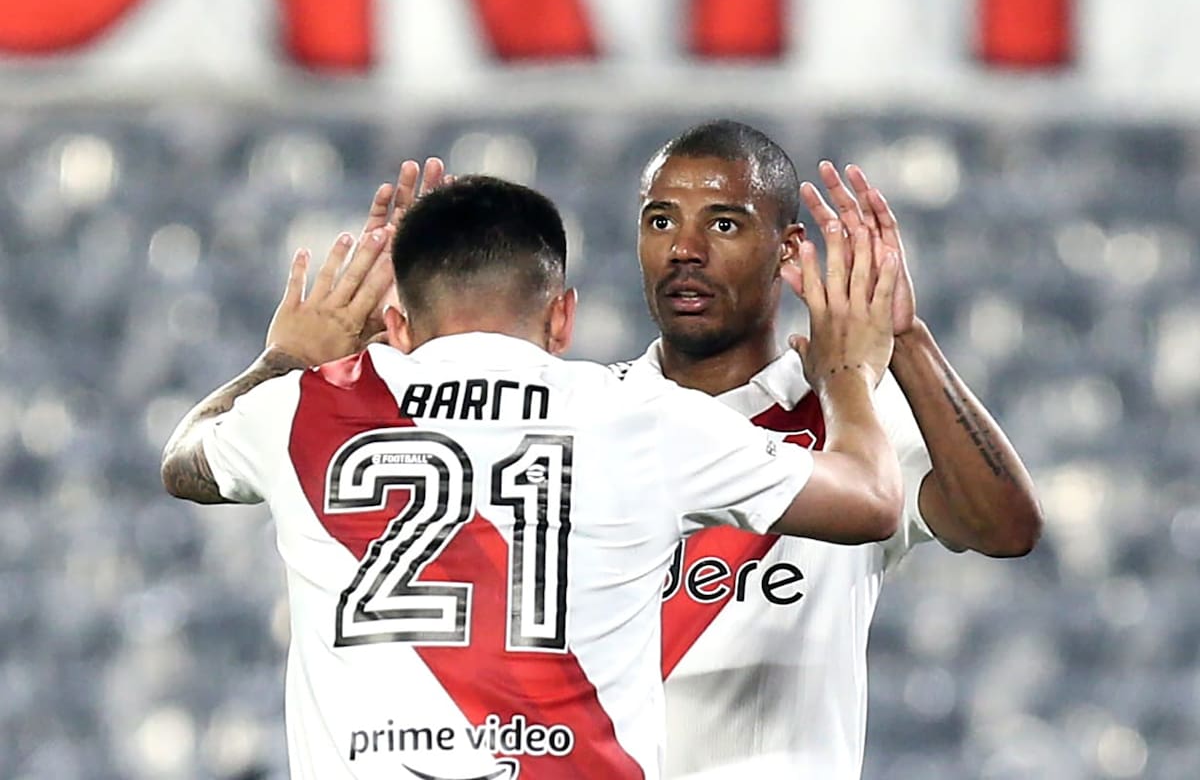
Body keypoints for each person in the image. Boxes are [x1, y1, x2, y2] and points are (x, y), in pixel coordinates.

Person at [161, 175, 907, 780]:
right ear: (561, 318)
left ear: (397, 327)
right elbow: (872, 501)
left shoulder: (301, 408)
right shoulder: (640, 415)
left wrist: (289, 357)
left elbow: (185, 461)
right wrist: (845, 370)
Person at [620, 120, 1045, 779]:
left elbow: (1007, 528)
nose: (685, 249)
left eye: (724, 224)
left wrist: (905, 338)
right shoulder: (589, 412)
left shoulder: (852, 422)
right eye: (661, 221)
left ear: (788, 249)